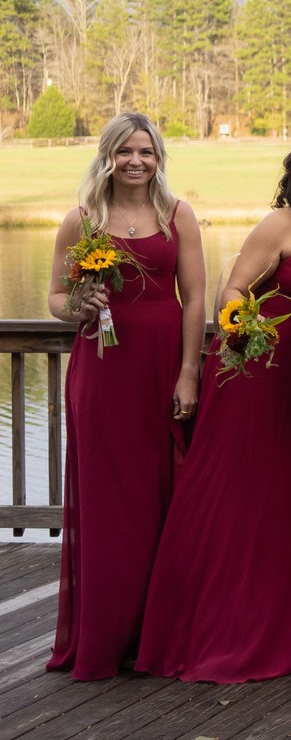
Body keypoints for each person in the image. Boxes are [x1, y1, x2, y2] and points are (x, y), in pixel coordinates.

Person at [137, 131, 291, 682]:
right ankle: (214, 628)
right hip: (261, 376)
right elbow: (231, 294)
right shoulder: (283, 225)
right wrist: (244, 334)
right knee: (243, 497)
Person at [44, 113, 205, 681]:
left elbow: (196, 300)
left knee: (164, 496)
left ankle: (157, 636)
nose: (137, 161)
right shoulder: (81, 220)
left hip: (162, 368)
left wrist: (189, 373)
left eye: (148, 151)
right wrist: (78, 305)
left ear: (159, 158)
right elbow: (57, 297)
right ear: (108, 156)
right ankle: (104, 638)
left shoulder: (177, 215)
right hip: (103, 374)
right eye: (126, 151)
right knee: (109, 506)